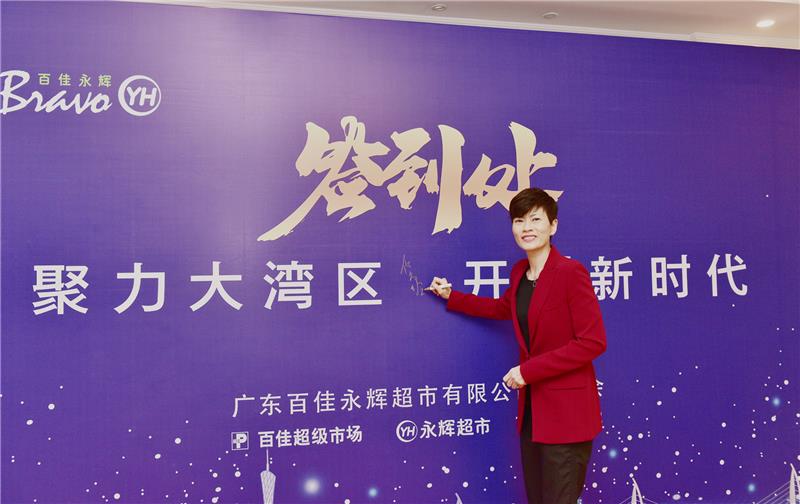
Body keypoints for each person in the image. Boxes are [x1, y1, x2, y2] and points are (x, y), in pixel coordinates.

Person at [428, 187, 606, 504]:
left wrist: (528, 371)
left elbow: (592, 342)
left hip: (568, 416)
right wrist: (452, 296)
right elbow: (502, 308)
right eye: (519, 220)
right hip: (534, 417)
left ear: (553, 225)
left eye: (536, 219)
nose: (527, 228)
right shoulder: (520, 273)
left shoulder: (570, 272)